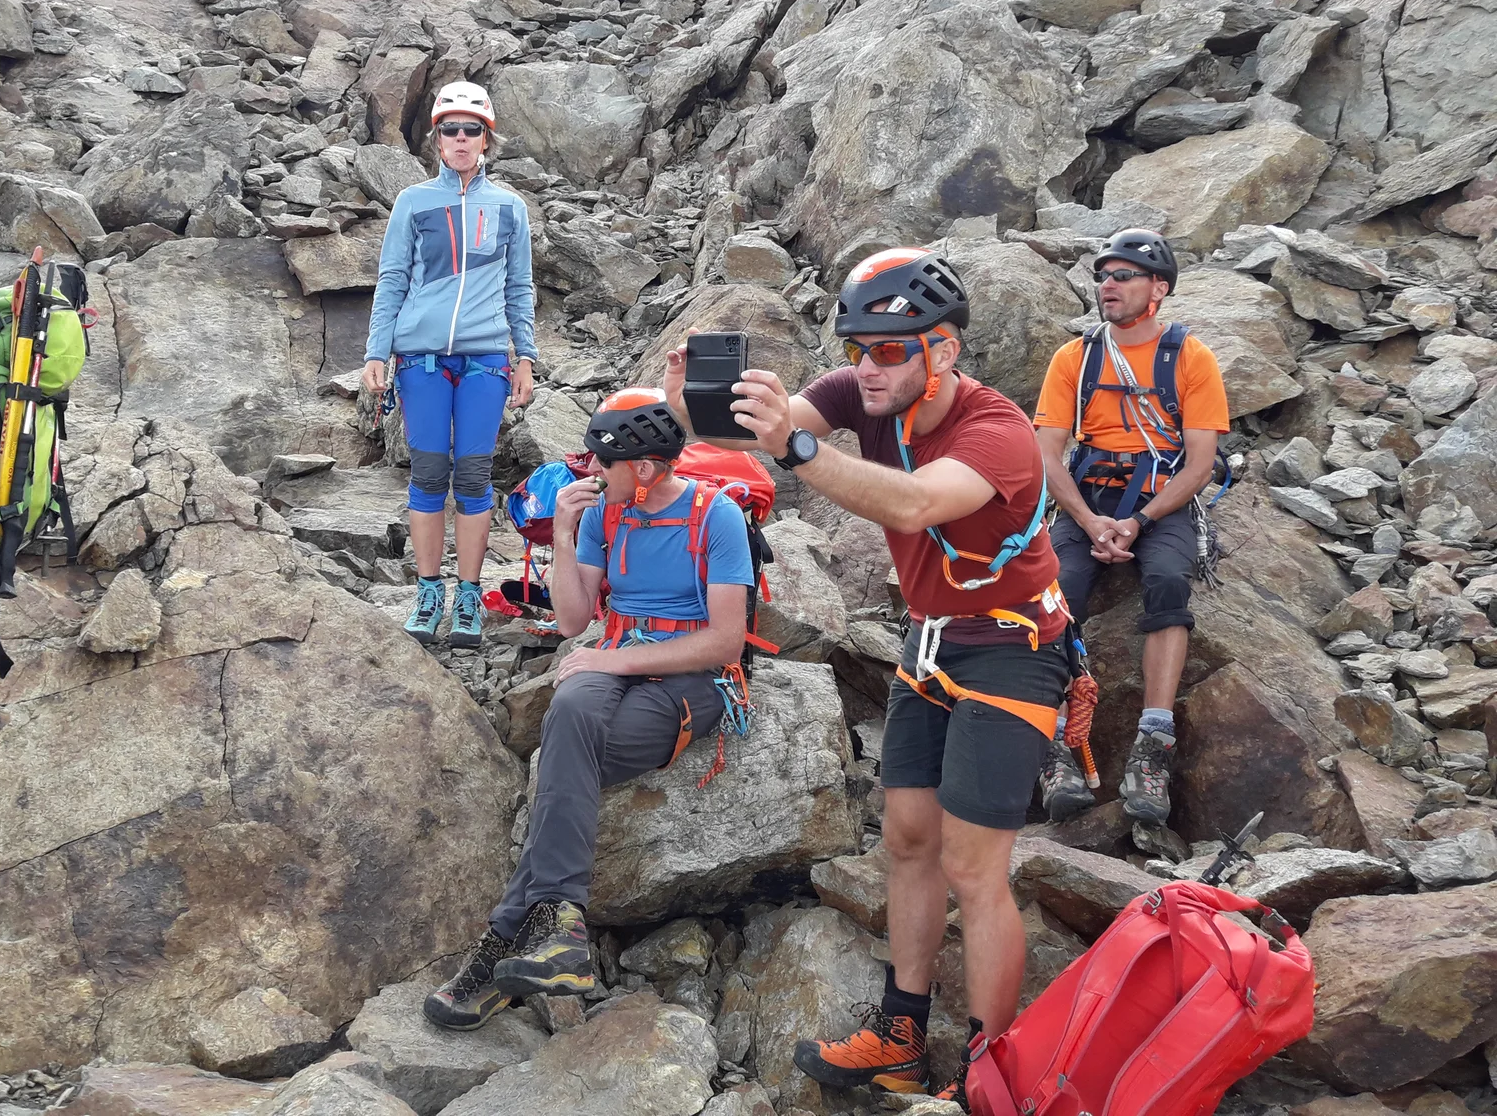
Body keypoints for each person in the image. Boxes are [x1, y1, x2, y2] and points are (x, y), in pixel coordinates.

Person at [668, 250, 1069, 1101]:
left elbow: (914, 504)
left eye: (891, 349)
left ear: (944, 352)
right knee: (908, 843)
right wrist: (696, 408)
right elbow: (759, 433)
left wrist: (796, 443)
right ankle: (901, 1034)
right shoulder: (866, 391)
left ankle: (992, 1075)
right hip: (928, 645)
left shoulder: (996, 434)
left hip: (1010, 650)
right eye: (859, 346)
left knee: (973, 867)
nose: (867, 365)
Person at [423, 389, 753, 1030]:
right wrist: (566, 534)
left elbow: (725, 640)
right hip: (618, 651)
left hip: (693, 679)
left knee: (565, 764)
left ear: (649, 468)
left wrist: (615, 660)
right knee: (571, 702)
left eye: (607, 464)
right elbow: (575, 619)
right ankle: (562, 928)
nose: (594, 475)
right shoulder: (605, 514)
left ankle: (500, 952)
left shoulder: (716, 519)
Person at [1031, 229, 1229, 827]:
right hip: (1088, 494)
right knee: (1057, 590)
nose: (1108, 286)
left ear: (1159, 290)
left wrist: (1139, 520)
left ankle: (1153, 744)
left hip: (1159, 496)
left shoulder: (1190, 357)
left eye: (1124, 276)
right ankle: (1055, 740)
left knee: (1168, 579)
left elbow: (1198, 464)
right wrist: (1091, 521)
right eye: (1104, 276)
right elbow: (1045, 456)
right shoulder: (1076, 357)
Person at [363, 81, 537, 646]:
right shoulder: (413, 202)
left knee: (475, 475)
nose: (460, 139)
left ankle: (468, 594)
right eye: (449, 129)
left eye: (471, 130)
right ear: (436, 139)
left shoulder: (510, 207)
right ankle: (428, 590)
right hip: (421, 359)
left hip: (486, 358)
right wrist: (376, 350)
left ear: (486, 138)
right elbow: (391, 279)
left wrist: (526, 357)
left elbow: (520, 287)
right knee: (429, 474)